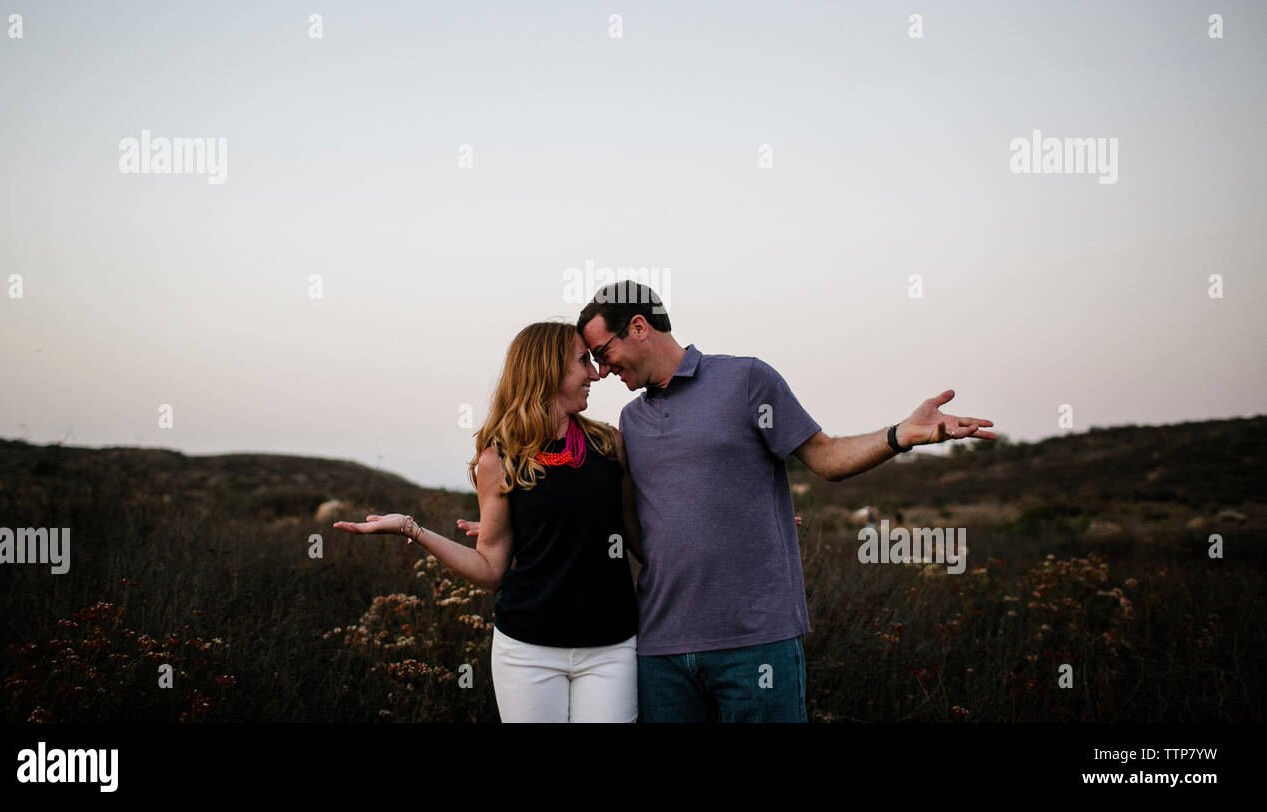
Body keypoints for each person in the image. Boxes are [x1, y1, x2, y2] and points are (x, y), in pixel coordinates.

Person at [575, 281, 995, 722]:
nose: (601, 372)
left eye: (602, 354)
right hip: (662, 651)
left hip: (756, 644)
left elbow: (825, 457)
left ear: (638, 326)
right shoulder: (630, 420)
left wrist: (900, 436)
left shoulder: (746, 380)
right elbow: (645, 524)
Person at [334, 321, 642, 722]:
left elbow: (637, 534)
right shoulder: (497, 461)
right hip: (528, 652)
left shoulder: (609, 445)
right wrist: (412, 529)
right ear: (548, 370)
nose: (595, 373)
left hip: (612, 647)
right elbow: (490, 568)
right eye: (583, 362)